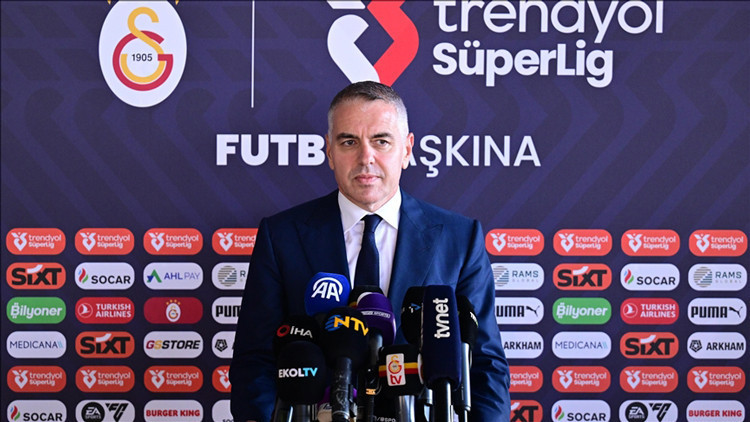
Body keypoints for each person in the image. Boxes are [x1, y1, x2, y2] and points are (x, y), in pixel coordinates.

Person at [230, 81, 511, 422]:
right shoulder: (281, 236)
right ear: (329, 152)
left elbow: (484, 364)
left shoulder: (460, 238)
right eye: (349, 142)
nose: (366, 158)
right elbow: (255, 360)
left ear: (406, 150)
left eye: (381, 141)